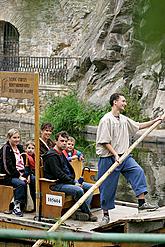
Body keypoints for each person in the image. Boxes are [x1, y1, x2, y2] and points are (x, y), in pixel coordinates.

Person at [96, 93, 162, 225]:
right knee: (107, 186)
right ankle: (105, 214)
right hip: (108, 158)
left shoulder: (123, 119)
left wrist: (156, 120)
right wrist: (115, 155)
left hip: (124, 156)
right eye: (123, 101)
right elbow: (104, 141)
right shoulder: (106, 120)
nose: (125, 103)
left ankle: (142, 203)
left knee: (137, 171)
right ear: (115, 102)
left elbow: (138, 126)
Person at [43, 131, 97, 222]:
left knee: (92, 187)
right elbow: (58, 174)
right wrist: (73, 183)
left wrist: (75, 181)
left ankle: (81, 211)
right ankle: (88, 213)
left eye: (65, 141)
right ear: (56, 141)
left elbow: (68, 170)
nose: (64, 143)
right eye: (62, 141)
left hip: (66, 181)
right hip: (55, 184)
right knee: (78, 190)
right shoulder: (52, 156)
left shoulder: (61, 154)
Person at [0, 129, 34, 217]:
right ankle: (17, 206)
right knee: (21, 184)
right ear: (9, 138)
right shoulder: (6, 148)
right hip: (8, 176)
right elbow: (7, 167)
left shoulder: (19, 147)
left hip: (22, 173)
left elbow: (26, 162)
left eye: (18, 137)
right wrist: (19, 176)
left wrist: (28, 174)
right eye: (14, 138)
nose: (17, 139)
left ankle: (33, 204)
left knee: (33, 179)